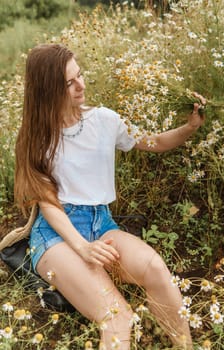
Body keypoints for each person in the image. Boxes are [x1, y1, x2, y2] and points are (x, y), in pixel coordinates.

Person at [14, 43, 205, 349]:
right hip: (57, 234)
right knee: (118, 317)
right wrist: (83, 248)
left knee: (155, 269)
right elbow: (47, 202)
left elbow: (151, 142)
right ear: (48, 90)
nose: (81, 85)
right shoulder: (36, 137)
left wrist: (189, 128)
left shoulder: (104, 119)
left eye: (81, 75)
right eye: (69, 82)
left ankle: (186, 346)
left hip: (101, 224)